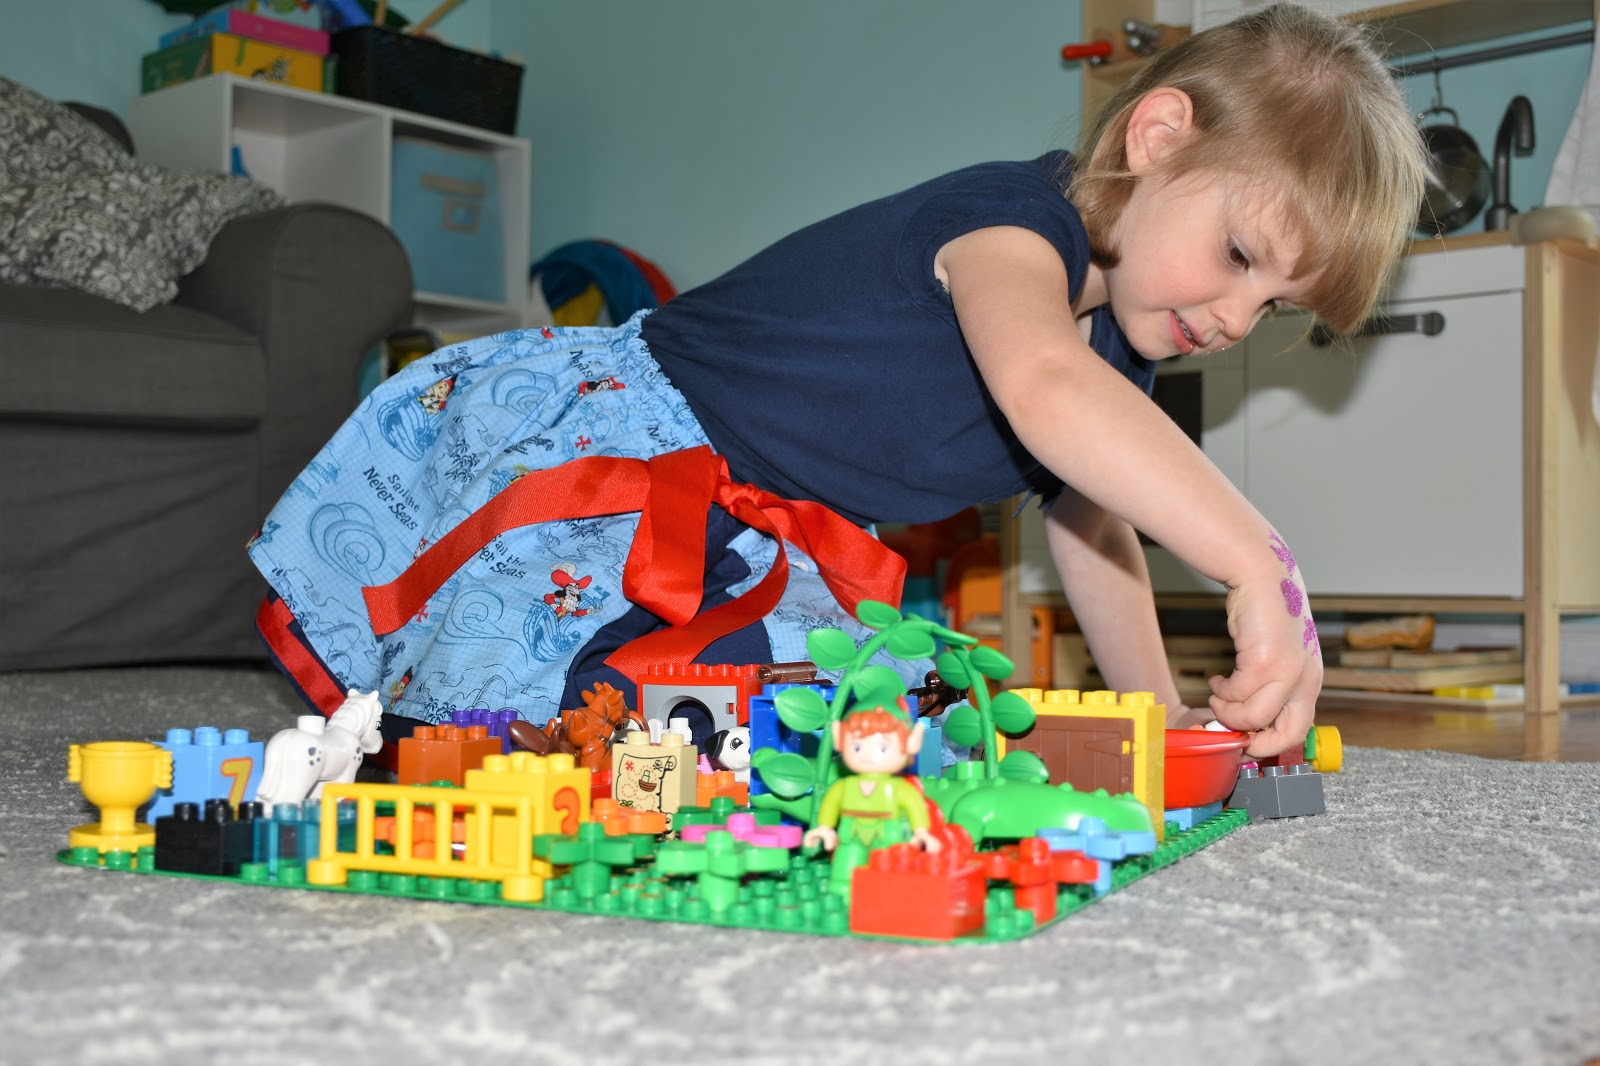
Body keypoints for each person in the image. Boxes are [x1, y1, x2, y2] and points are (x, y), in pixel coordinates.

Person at [249, 2, 1425, 760]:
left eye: (1273, 308)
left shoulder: (1119, 353)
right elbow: (1042, 387)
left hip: (774, 533)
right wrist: (1256, 559)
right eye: (1238, 257)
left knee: (879, 728)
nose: (1234, 320)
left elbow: (1094, 531)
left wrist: (1156, 717)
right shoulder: (1010, 226)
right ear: (1157, 139)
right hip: (628, 455)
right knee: (525, 715)